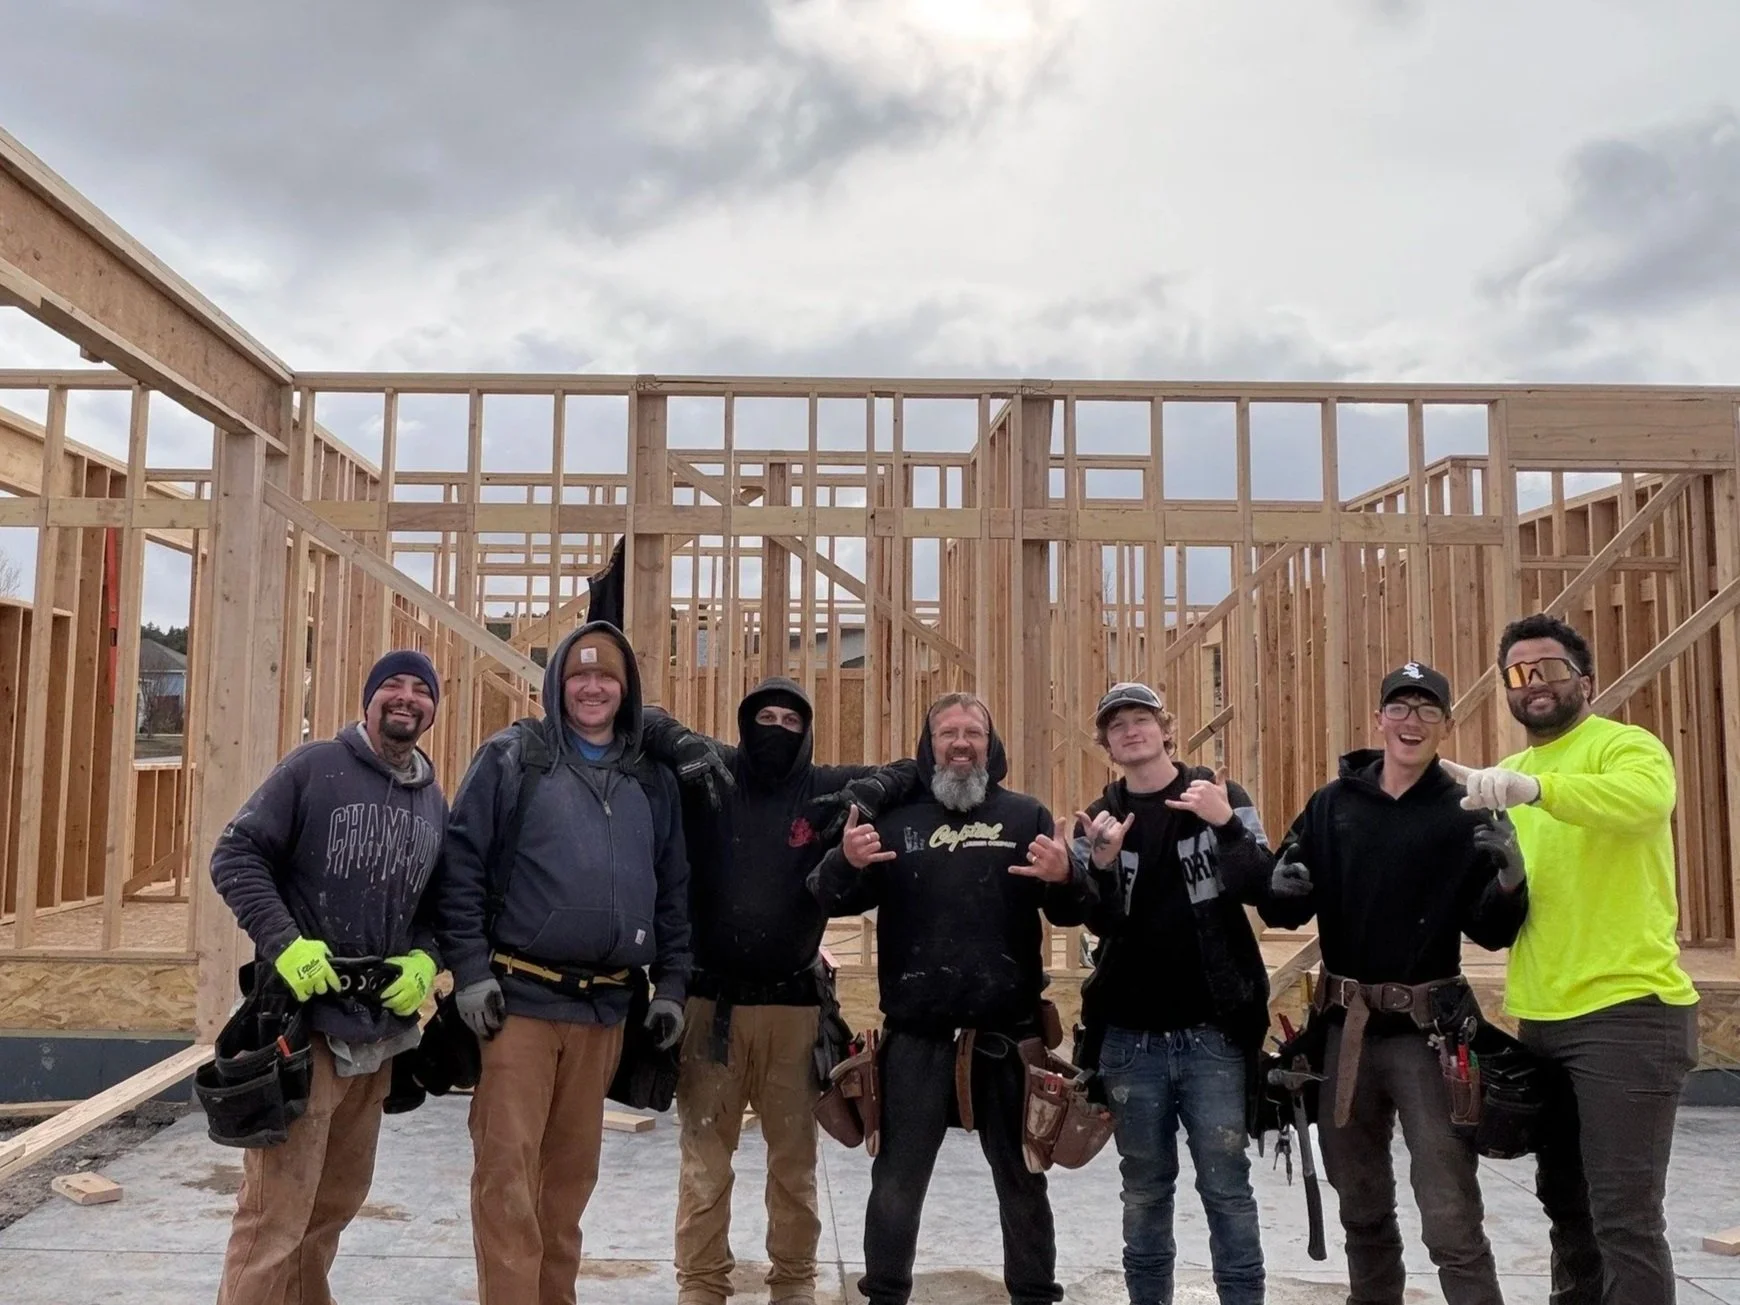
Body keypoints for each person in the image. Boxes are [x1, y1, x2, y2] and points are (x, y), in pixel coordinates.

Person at [1444, 614, 1698, 1305]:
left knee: (1626, 1219)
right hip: (1543, 1019)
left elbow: (1644, 803)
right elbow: (1505, 913)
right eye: (1518, 673)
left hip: (1629, 1013)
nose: (1535, 683)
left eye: (1550, 668)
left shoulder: (1625, 748)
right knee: (1568, 1211)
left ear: (1584, 679)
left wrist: (1540, 792)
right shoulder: (1509, 777)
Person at [809, 691, 1094, 1305]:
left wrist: (1069, 876)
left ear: (991, 747)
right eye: (948, 733)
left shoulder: (1025, 817)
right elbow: (832, 898)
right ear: (928, 745)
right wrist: (843, 862)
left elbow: (1072, 911)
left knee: (1022, 1178)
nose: (961, 743)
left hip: (1009, 1036)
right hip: (918, 1035)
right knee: (896, 1182)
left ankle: (1035, 1295)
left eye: (974, 733)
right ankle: (884, 1294)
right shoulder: (898, 821)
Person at [437, 621, 692, 1305]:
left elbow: (673, 888)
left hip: (606, 1009)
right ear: (557, 684)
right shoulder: (515, 757)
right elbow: (460, 864)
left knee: (569, 1183)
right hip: (519, 1002)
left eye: (606, 676)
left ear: (625, 688)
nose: (592, 687)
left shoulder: (650, 777)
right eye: (578, 675)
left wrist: (671, 984)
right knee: (506, 1180)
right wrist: (469, 969)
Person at [641, 677, 917, 1305]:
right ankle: (702, 1286)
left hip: (794, 1010)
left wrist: (872, 789)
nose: (776, 729)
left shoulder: (822, 789)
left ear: (807, 732)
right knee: (704, 1163)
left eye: (791, 721)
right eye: (764, 716)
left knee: (793, 1166)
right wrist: (679, 738)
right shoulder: (712, 774)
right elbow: (641, 716)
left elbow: (913, 768)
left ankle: (793, 1285)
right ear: (744, 723)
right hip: (712, 1007)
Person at [1264, 662, 1527, 1305]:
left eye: (1427, 710)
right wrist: (1281, 882)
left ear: (1445, 723)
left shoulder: (1463, 810)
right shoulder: (1334, 805)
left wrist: (1511, 880)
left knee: (1449, 1211)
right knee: (1358, 1199)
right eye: (1400, 708)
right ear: (1380, 718)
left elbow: (1491, 931)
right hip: (1342, 1032)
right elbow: (1285, 905)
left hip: (1426, 1034)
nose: (1412, 722)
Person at [209, 650, 448, 1305]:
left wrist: (425, 958)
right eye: (391, 686)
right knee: (274, 1219)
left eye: (420, 689)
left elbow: (438, 907)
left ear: (432, 708)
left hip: (377, 1038)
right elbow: (235, 855)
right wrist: (285, 943)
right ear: (368, 699)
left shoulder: (432, 798)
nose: (406, 697)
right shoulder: (315, 768)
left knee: (332, 1207)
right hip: (303, 1031)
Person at [1071, 682, 1276, 1305]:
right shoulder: (1099, 817)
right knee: (1144, 1189)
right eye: (1117, 725)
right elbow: (1095, 920)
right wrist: (1099, 868)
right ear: (1106, 743)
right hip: (1130, 1040)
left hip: (1213, 1034)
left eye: (1141, 719)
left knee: (1227, 1188)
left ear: (1166, 727)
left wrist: (1223, 825)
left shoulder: (1218, 796)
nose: (1131, 731)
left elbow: (1264, 886)